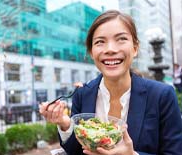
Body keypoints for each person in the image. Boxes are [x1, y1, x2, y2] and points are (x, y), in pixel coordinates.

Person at [39, 10, 182, 155]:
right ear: (91, 52)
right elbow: (76, 151)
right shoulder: (82, 93)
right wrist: (65, 124)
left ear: (135, 48)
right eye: (100, 42)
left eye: (121, 39)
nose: (110, 49)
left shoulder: (162, 95)